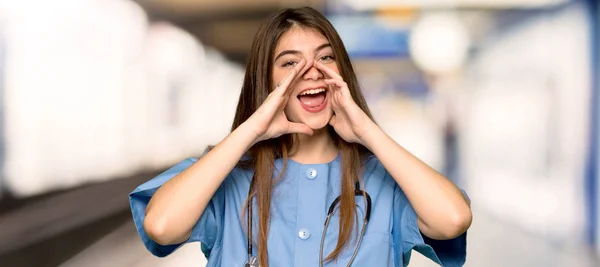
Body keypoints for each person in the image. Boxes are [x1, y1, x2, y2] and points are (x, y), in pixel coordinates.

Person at [129, 6, 472, 267]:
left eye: (325, 57)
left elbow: (453, 219)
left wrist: (368, 131)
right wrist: (251, 129)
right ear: (268, 84)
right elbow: (161, 225)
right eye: (290, 63)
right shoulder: (226, 177)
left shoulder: (387, 181)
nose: (311, 71)